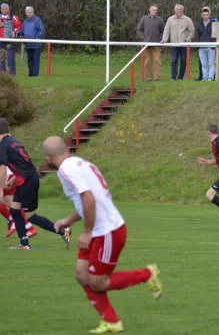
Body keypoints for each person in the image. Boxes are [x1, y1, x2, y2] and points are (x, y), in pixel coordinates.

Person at [42, 136, 163, 334]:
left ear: (47, 158)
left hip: (107, 231)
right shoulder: (80, 163)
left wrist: (88, 232)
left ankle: (147, 274)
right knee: (82, 275)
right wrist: (70, 220)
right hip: (101, 229)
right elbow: (89, 200)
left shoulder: (65, 170)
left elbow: (88, 198)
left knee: (98, 283)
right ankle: (112, 322)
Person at [0, 118, 71, 250]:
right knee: (15, 210)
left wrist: (0, 190)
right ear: (8, 129)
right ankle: (24, 244)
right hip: (26, 180)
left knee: (30, 216)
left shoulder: (3, 145)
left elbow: (2, 169)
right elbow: (24, 166)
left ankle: (63, 230)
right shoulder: (14, 142)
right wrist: (11, 181)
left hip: (28, 182)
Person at [161, 4, 194, 81]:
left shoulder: (187, 20)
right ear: (175, 10)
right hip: (174, 43)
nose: (179, 11)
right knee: (174, 60)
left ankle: (180, 77)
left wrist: (188, 38)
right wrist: (164, 39)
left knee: (183, 60)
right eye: (178, 9)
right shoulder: (170, 19)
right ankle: (173, 77)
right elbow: (167, 30)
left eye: (180, 9)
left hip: (183, 44)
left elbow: (192, 31)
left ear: (183, 10)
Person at [1, 166, 37, 238]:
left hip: (6, 175)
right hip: (7, 174)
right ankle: (13, 220)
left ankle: (29, 227)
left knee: (11, 203)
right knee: (9, 202)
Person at [136, 5, 164, 81]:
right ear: (150, 10)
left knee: (157, 61)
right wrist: (143, 38)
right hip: (146, 44)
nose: (154, 11)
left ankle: (157, 77)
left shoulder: (159, 20)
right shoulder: (144, 19)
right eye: (153, 10)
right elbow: (139, 30)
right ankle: (149, 77)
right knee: (147, 61)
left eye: (155, 10)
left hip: (156, 44)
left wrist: (159, 40)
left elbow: (162, 31)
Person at [20, 6, 45, 78]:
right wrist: (16, 34)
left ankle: (35, 75)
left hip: (36, 45)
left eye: (31, 12)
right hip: (28, 45)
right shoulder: (25, 22)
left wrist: (35, 39)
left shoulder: (37, 20)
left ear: (33, 12)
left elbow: (42, 31)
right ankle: (30, 74)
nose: (29, 13)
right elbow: (22, 32)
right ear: (26, 13)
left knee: (35, 60)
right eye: (28, 12)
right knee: (29, 60)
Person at [196, 7, 218, 82]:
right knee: (204, 64)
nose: (205, 16)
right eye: (204, 15)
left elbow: (216, 35)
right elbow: (198, 36)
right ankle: (204, 78)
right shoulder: (199, 25)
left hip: (210, 47)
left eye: (206, 15)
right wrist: (199, 45)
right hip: (201, 48)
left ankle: (210, 78)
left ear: (209, 15)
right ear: (202, 16)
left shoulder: (214, 24)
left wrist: (213, 45)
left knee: (211, 64)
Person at [0, 3, 22, 76]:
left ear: (8, 9)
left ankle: (11, 74)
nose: (4, 10)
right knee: (1, 58)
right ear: (1, 9)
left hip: (9, 41)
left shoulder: (13, 17)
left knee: (10, 57)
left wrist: (14, 33)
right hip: (1, 41)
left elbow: (19, 27)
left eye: (5, 9)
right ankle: (2, 74)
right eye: (3, 9)